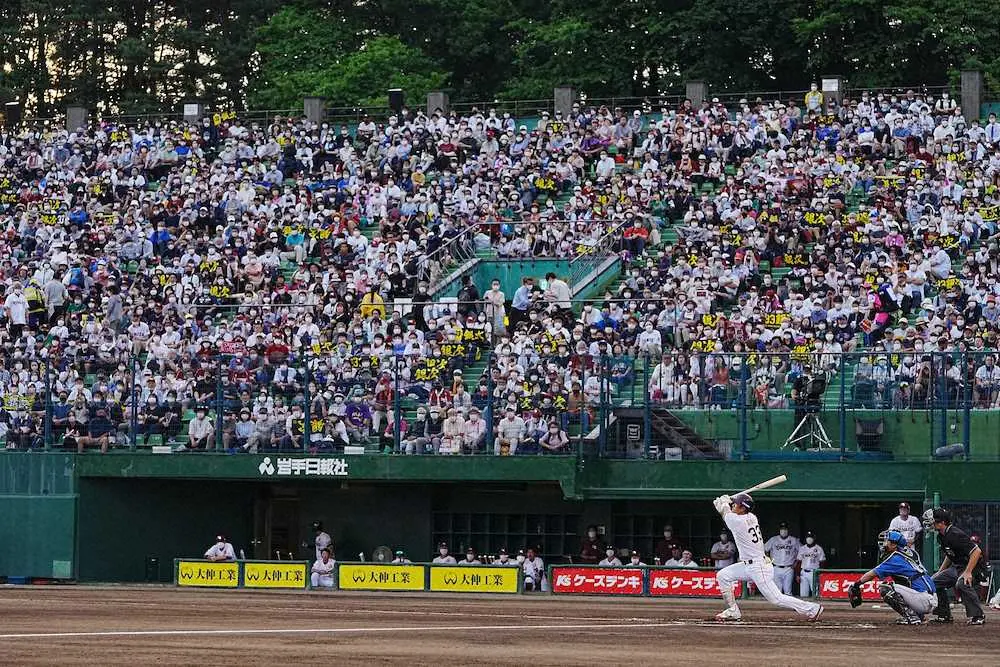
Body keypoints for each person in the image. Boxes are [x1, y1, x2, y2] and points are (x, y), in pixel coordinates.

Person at [712, 493, 823, 622]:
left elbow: (727, 515)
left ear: (743, 508)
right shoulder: (751, 517)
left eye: (736, 504)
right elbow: (729, 514)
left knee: (776, 598)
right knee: (723, 575)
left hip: (758, 566)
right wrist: (726, 504)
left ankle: (812, 608)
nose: (733, 506)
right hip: (748, 565)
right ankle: (732, 610)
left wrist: (724, 505)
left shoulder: (739, 521)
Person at [849, 530, 936, 625]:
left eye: (887, 541)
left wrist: (856, 584)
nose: (884, 544)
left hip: (923, 599)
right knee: (900, 581)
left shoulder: (895, 559)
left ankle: (912, 617)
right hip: (930, 598)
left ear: (894, 545)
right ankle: (919, 616)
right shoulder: (912, 553)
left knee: (885, 588)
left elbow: (872, 574)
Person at [922, 508, 986, 624]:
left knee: (962, 583)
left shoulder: (955, 534)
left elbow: (976, 551)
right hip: (957, 567)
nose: (930, 524)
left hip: (972, 567)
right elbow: (949, 554)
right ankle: (944, 615)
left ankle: (978, 616)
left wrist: (968, 572)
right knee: (933, 582)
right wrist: (940, 572)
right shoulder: (941, 536)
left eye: (933, 521)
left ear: (942, 523)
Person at [764, 522, 801, 595]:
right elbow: (765, 550)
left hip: (789, 568)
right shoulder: (773, 539)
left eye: (785, 529)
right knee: (777, 592)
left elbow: (802, 551)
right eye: (782, 529)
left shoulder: (794, 540)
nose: (783, 531)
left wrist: (796, 562)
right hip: (776, 567)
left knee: (788, 591)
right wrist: (769, 561)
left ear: (788, 530)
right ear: (779, 530)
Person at [796, 531, 826, 598]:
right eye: (808, 537)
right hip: (803, 572)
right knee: (803, 595)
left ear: (814, 538)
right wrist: (797, 574)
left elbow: (822, 563)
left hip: (814, 572)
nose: (809, 539)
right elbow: (799, 562)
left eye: (811, 537)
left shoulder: (819, 548)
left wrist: (820, 574)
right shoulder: (802, 548)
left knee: (816, 594)